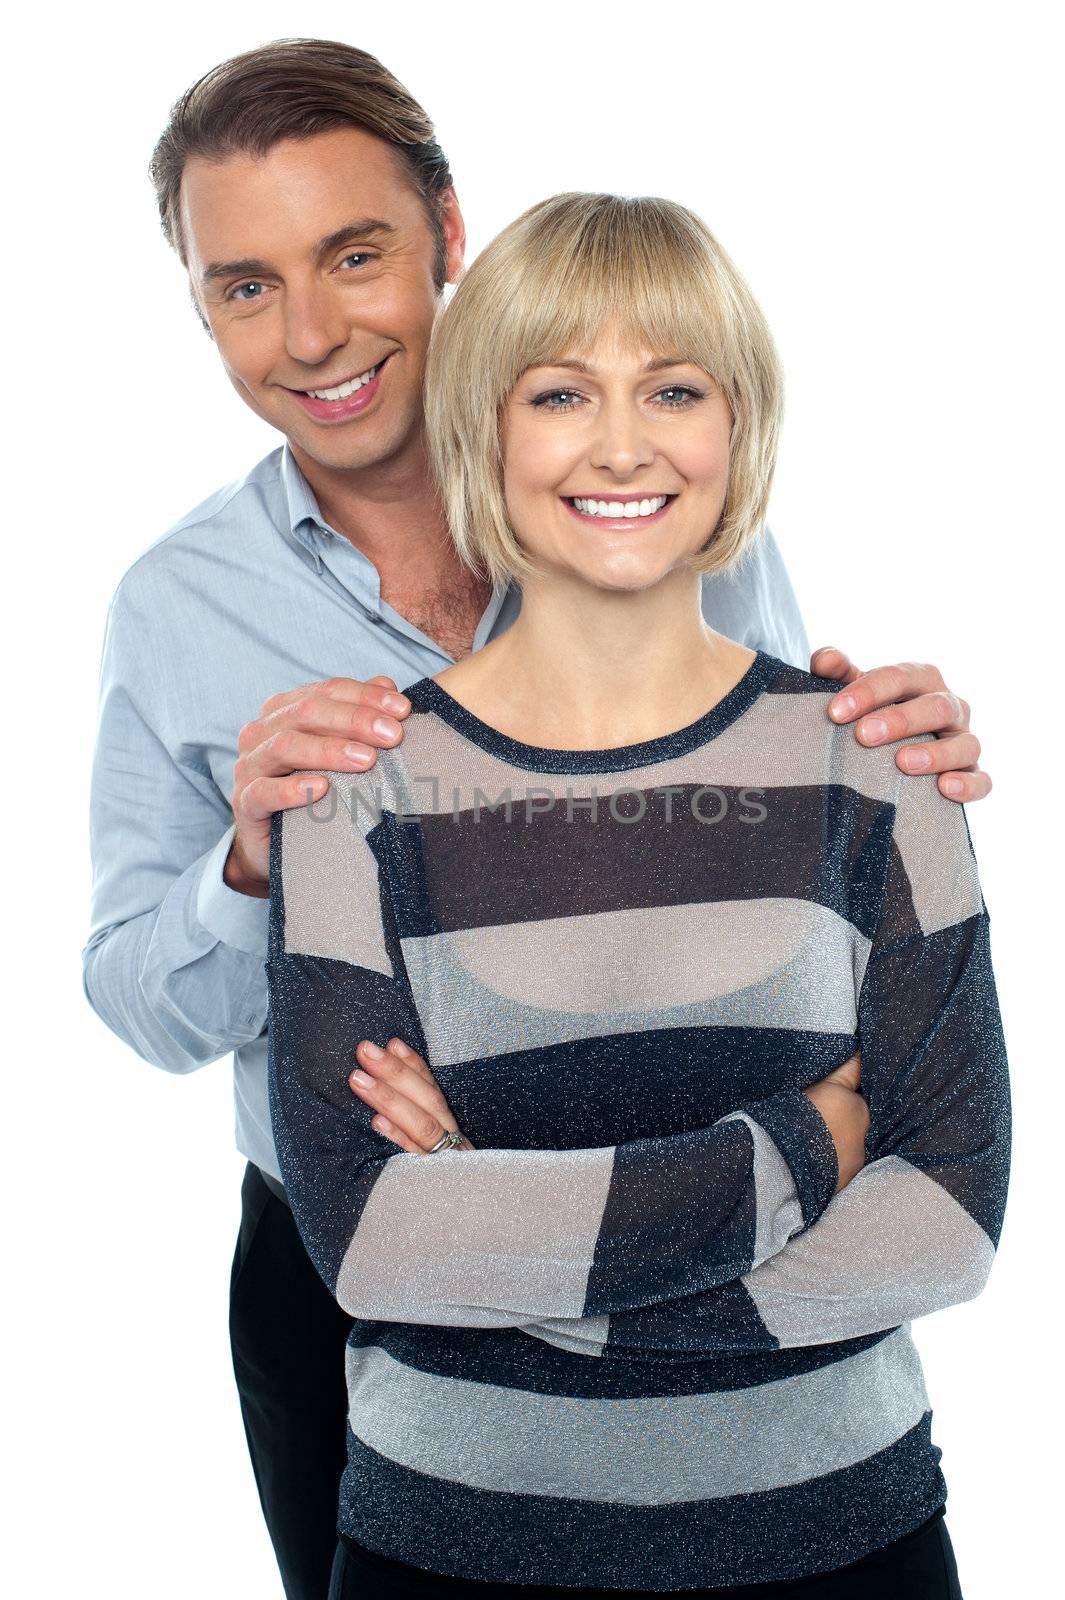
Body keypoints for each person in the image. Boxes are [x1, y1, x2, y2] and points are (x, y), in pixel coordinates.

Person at [82, 38, 990, 1600]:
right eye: (243, 285)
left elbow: (790, 926)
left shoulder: (686, 544)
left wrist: (498, 1266)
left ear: (446, 237)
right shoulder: (183, 610)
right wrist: (250, 865)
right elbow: (152, 1017)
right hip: (360, 1306)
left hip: (776, 1402)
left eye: (352, 254)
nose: (309, 332)